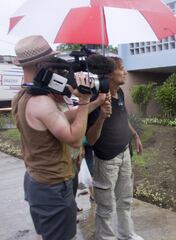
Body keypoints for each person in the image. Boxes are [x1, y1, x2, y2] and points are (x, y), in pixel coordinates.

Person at [11, 35, 93, 240]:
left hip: (36, 181)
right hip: (52, 187)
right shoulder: (41, 102)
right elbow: (74, 139)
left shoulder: (21, 97)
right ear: (40, 64)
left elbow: (56, 120)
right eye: (50, 62)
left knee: (45, 235)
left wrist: (94, 103)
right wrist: (83, 101)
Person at [86, 57, 144, 240]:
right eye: (122, 69)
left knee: (125, 200)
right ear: (110, 74)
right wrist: (102, 116)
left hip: (124, 153)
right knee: (106, 206)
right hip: (106, 159)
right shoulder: (95, 99)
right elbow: (91, 139)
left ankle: (126, 234)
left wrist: (134, 135)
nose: (125, 72)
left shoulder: (120, 93)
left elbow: (123, 118)